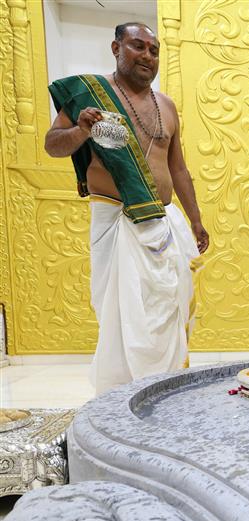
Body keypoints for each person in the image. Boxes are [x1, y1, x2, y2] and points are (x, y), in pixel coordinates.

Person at [44, 22, 210, 395]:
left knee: (169, 308)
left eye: (154, 50)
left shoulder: (166, 106)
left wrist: (196, 220)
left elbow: (178, 168)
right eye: (138, 46)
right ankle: (120, 397)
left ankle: (164, 391)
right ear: (116, 47)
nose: (147, 56)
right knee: (124, 318)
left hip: (165, 224)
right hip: (117, 221)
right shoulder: (91, 96)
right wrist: (81, 131)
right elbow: (53, 144)